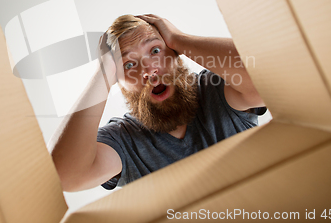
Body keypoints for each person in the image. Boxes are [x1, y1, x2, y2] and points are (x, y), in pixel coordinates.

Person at [49, 14, 266, 192]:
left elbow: (268, 79)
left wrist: (178, 38)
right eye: (129, 64)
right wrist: (103, 71)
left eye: (155, 50)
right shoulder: (123, 140)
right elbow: (65, 175)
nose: (148, 70)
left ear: (176, 54)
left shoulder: (216, 89)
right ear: (118, 82)